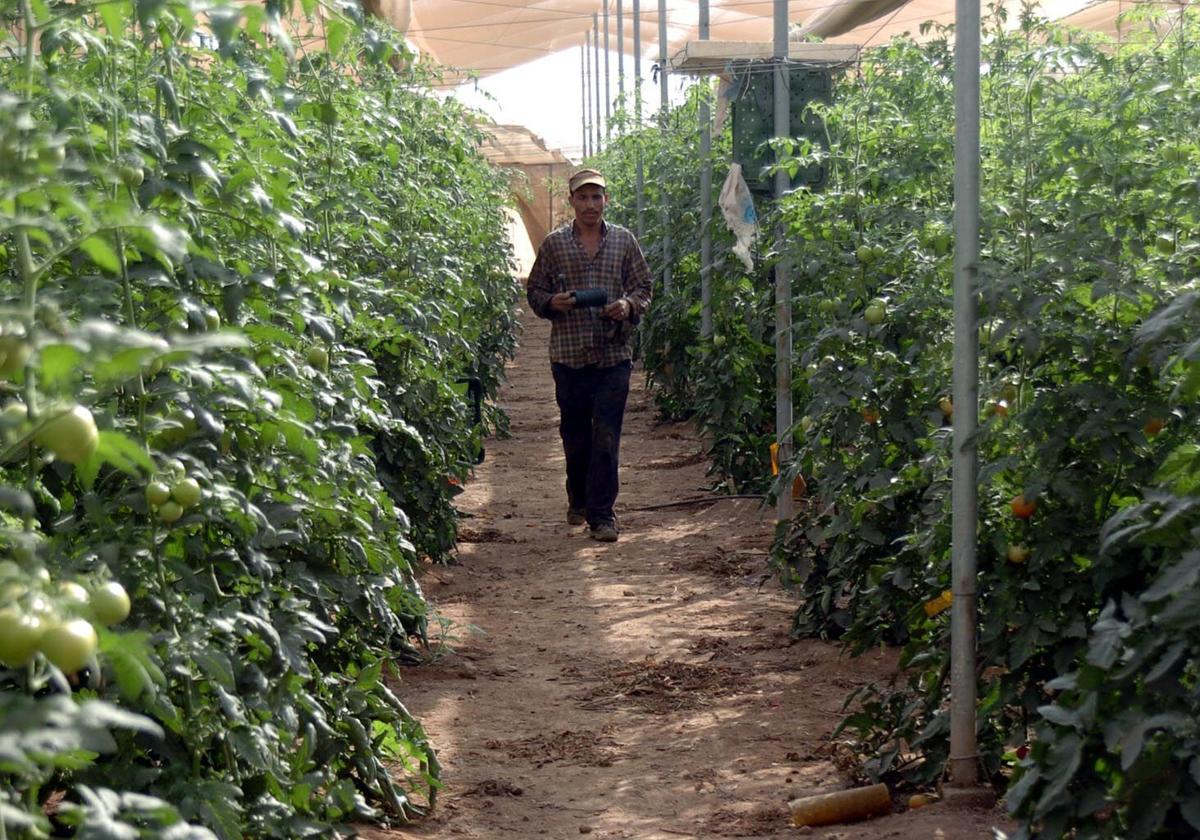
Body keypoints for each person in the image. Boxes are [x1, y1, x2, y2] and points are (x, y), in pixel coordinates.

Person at [525, 168, 652, 543]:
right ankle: (578, 497)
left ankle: (602, 514)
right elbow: (535, 291)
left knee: (607, 436)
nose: (590, 205)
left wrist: (627, 306)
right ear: (571, 202)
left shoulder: (625, 242)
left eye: (597, 197)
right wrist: (553, 303)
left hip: (614, 354)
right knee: (576, 434)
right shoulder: (554, 245)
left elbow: (644, 286)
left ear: (606, 201)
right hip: (568, 356)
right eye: (583, 197)